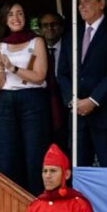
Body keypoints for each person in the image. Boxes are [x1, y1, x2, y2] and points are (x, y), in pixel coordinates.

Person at [58, 0, 107, 167]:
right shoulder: (72, 33)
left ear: (102, 3)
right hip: (78, 117)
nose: (81, 6)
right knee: (80, 172)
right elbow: (62, 73)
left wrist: (93, 100)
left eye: (87, 0)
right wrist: (72, 100)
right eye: (79, 2)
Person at [0, 3, 50, 194]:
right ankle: (14, 202)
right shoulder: (1, 45)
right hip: (6, 102)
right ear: (5, 19)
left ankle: (37, 201)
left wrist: (13, 68)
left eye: (20, 13)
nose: (15, 18)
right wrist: (0, 69)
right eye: (10, 14)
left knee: (35, 156)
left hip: (32, 100)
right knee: (7, 158)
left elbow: (40, 76)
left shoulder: (37, 41)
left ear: (26, 17)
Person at [38, 12, 68, 153]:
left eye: (54, 24)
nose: (50, 28)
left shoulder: (71, 46)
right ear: (40, 30)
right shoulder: (35, 50)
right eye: (45, 25)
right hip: (44, 105)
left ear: (61, 27)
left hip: (67, 103)